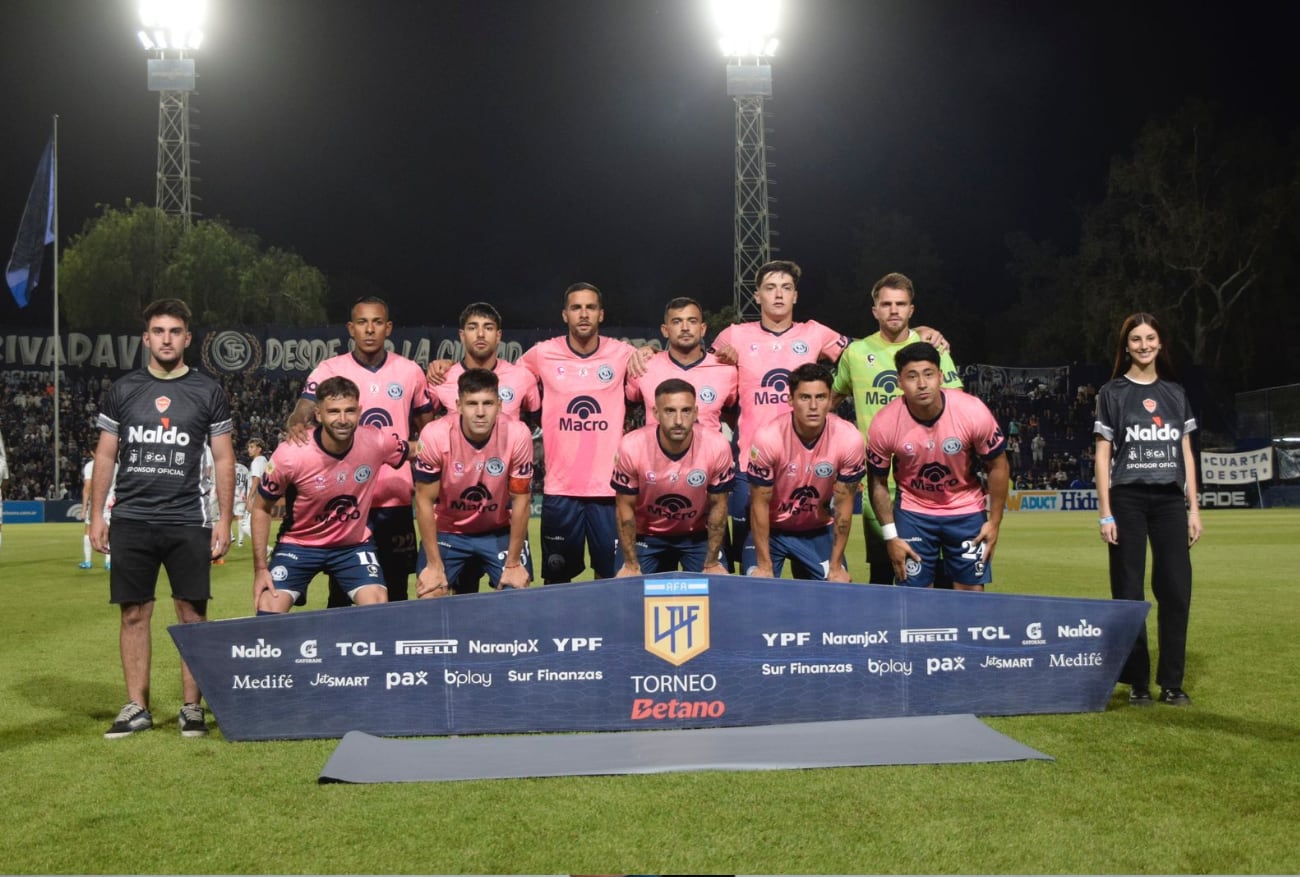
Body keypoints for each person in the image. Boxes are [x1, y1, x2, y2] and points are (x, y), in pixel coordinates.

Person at [89, 298, 234, 739]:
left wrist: (225, 519)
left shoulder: (208, 391)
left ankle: (193, 707)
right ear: (146, 338)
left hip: (188, 519)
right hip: (131, 517)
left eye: (175, 331)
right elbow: (106, 453)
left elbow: (224, 457)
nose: (166, 339)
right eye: (158, 331)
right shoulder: (123, 389)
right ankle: (137, 706)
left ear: (187, 338)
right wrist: (96, 514)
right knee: (134, 613)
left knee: (192, 612)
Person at [287, 297, 432, 604]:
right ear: (350, 329)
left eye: (377, 322)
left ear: (388, 328)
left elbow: (427, 427)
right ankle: (342, 652)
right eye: (362, 323)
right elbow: (304, 406)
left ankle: (392, 652)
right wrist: (297, 420)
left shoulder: (409, 372)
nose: (370, 329)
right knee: (341, 591)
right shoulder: (330, 368)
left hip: (393, 498)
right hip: (345, 500)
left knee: (395, 590)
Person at [712, 261, 851, 569]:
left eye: (786, 288)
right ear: (757, 295)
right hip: (749, 467)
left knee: (816, 580)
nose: (778, 295)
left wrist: (831, 400)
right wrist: (646, 353)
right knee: (753, 574)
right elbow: (695, 369)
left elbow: (863, 358)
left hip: (806, 470)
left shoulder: (814, 333)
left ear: (795, 297)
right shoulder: (733, 336)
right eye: (770, 288)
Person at [1094, 312, 1200, 707]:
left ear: (1160, 343)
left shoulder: (1175, 393)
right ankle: (1137, 680)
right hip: (1127, 500)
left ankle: (1171, 683)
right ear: (1126, 347)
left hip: (1171, 501)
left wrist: (1194, 509)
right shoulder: (1112, 393)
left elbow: (1186, 453)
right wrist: (1105, 512)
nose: (1143, 345)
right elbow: (1103, 455)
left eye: (1150, 338)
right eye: (1135, 339)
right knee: (1128, 591)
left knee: (1175, 590)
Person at [830, 272, 962, 585]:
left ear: (911, 310)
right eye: (886, 304)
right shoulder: (856, 354)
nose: (893, 310)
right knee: (883, 570)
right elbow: (828, 402)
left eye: (900, 304)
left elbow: (957, 408)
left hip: (931, 481)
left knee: (938, 573)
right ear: (874, 310)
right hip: (879, 483)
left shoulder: (934, 350)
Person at [516, 282, 651, 583]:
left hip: (608, 490)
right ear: (565, 315)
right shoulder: (541, 354)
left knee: (611, 577)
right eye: (576, 308)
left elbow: (655, 370)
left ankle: (608, 631)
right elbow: (507, 378)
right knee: (556, 582)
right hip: (560, 490)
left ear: (601, 314)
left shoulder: (623, 353)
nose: (584, 314)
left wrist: (649, 350)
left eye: (590, 307)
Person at [252, 376, 412, 613]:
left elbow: (417, 449)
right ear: (318, 414)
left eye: (349, 411)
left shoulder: (376, 440)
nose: (343, 419)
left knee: (378, 606)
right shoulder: (291, 454)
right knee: (268, 608)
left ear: (359, 411)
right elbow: (260, 507)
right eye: (334, 411)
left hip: (353, 546)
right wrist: (260, 569)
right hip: (299, 545)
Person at [866, 342, 1009, 590]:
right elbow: (876, 482)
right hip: (914, 511)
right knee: (914, 596)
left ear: (941, 377)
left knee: (971, 593)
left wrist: (994, 522)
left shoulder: (971, 410)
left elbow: (998, 465)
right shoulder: (885, 422)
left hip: (966, 509)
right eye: (912, 376)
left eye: (928, 374)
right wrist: (891, 536)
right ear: (899, 381)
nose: (922, 384)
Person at [412, 368, 535, 596]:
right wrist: (434, 565)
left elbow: (521, 500)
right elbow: (424, 501)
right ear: (458, 405)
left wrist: (513, 563)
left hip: (498, 530)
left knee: (516, 591)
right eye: (472, 404)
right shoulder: (435, 435)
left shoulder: (518, 434)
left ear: (499, 405)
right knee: (430, 592)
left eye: (487, 403)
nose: (480, 412)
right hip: (448, 531)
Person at [743, 363, 865, 581]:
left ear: (830, 400)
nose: (813, 406)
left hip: (817, 529)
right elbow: (759, 504)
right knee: (758, 585)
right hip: (772, 530)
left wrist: (836, 565)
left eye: (820, 397)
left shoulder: (849, 438)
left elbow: (844, 505)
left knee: (838, 589)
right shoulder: (768, 437)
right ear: (790, 400)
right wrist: (763, 564)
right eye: (805, 397)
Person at [612, 379, 734, 576]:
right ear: (656, 413)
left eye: (685, 411)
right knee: (627, 591)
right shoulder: (632, 446)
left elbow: (718, 507)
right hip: (645, 536)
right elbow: (624, 509)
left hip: (697, 536)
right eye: (670, 411)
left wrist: (711, 563)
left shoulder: (716, 445)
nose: (678, 420)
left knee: (716, 590)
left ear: (695, 413)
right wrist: (631, 565)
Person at [626, 297, 738, 433]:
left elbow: (735, 420)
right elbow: (624, 410)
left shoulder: (726, 370)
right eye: (677, 321)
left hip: (709, 453)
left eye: (692, 321)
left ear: (702, 329)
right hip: (655, 453)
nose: (685, 328)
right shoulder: (643, 366)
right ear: (665, 330)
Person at [426, 302, 541, 422]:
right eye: (472, 328)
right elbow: (424, 426)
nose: (480, 334)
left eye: (488, 328)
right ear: (462, 335)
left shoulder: (522, 377)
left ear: (498, 336)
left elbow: (539, 425)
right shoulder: (440, 378)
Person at [81, 452, 116, 570]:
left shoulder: (91, 465)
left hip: (97, 501)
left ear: (91, 452)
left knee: (88, 530)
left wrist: (84, 508)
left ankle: (87, 562)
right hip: (112, 501)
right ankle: (109, 562)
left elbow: (87, 487)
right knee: (110, 531)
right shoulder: (116, 465)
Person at [241, 437, 268, 557]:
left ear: (259, 449)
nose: (249, 449)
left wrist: (249, 498)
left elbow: (256, 479)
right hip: (263, 496)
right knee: (257, 524)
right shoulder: (265, 461)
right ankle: (265, 550)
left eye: (252, 447)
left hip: (256, 496)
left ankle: (267, 549)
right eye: (248, 447)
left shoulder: (256, 462)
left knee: (245, 526)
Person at [232, 457, 250, 548]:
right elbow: (248, 483)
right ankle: (240, 542)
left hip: (231, 496)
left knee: (223, 517)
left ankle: (231, 536)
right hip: (242, 496)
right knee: (240, 519)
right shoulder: (245, 469)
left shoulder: (230, 467)